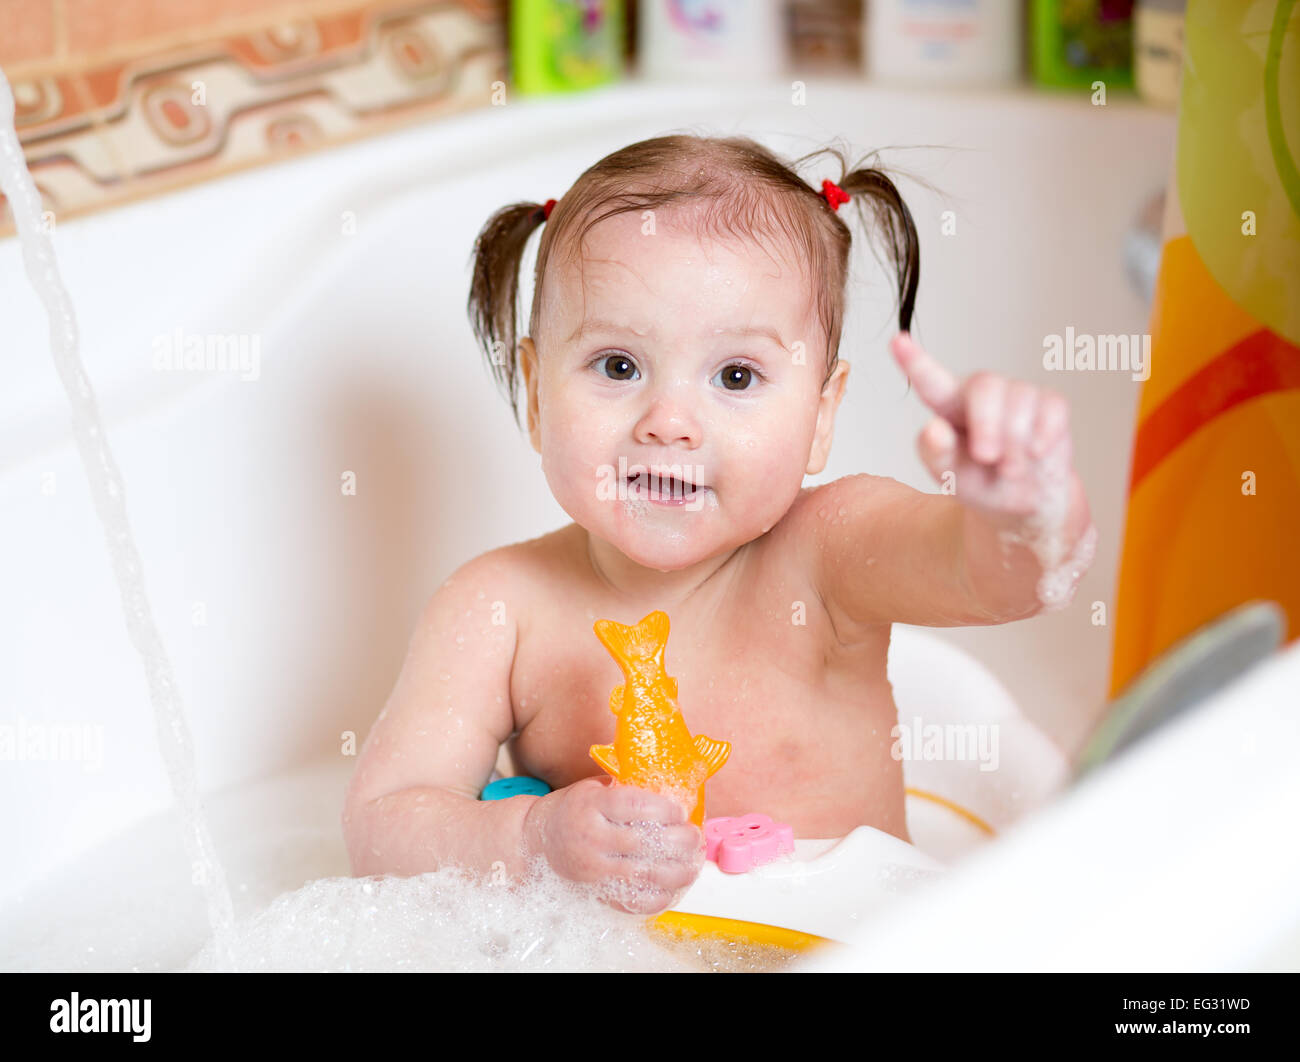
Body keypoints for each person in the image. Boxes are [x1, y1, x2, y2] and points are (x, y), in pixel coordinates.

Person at [342, 134, 1095, 915]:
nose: (670, 422)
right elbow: (381, 827)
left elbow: (1002, 579)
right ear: (535, 392)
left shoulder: (828, 553)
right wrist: (531, 839)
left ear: (820, 415)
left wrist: (1021, 510)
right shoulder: (497, 609)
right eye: (618, 366)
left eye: (736, 376)